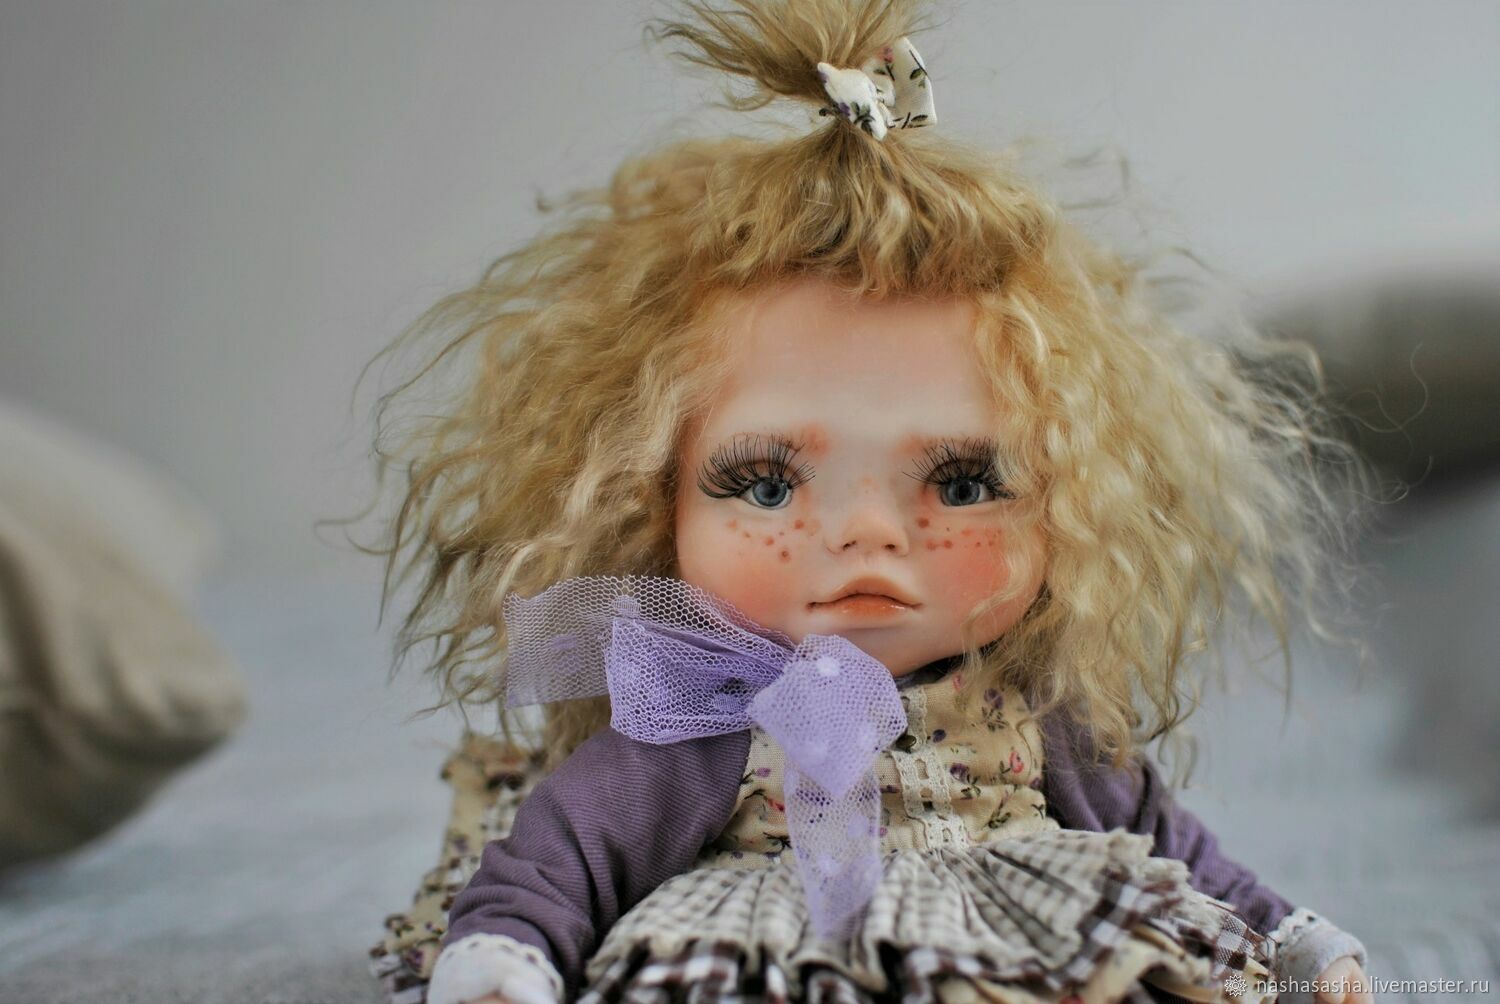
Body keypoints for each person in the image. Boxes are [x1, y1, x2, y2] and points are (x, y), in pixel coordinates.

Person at [364, 2, 1372, 1002]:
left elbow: (1175, 849)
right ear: (652, 498)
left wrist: (1296, 945)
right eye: (767, 484)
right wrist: (506, 958)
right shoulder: (713, 726)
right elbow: (563, 856)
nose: (866, 533)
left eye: (963, 484)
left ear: (1068, 502)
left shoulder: (1038, 719)